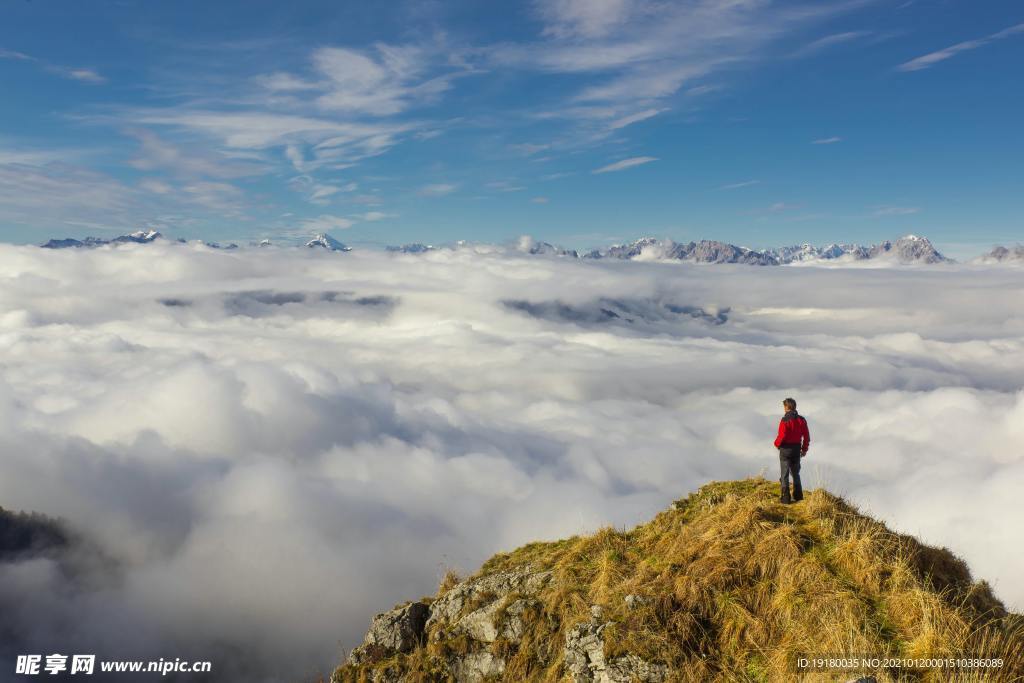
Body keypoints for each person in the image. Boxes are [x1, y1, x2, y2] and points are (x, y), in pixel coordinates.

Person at [774, 397, 810, 504]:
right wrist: (804, 449)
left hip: (785, 450)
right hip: (796, 449)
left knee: (784, 473)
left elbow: (782, 435)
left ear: (786, 407)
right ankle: (798, 495)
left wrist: (776, 444)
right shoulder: (802, 420)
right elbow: (806, 436)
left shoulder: (784, 420)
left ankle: (785, 498)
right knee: (795, 473)